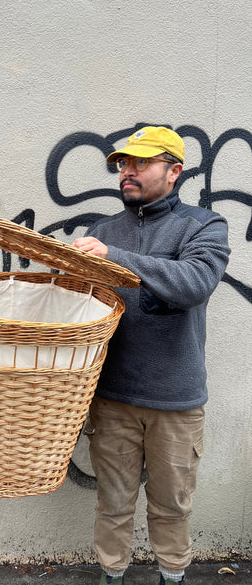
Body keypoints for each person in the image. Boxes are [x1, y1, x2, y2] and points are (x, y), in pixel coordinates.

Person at [73, 126, 230, 585]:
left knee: (172, 504)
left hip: (176, 401)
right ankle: (112, 575)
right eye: (123, 163)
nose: (128, 172)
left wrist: (113, 258)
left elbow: (194, 283)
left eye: (141, 163)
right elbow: (85, 305)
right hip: (113, 397)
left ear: (174, 171)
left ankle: (172, 577)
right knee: (114, 502)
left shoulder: (204, 225)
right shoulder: (101, 230)